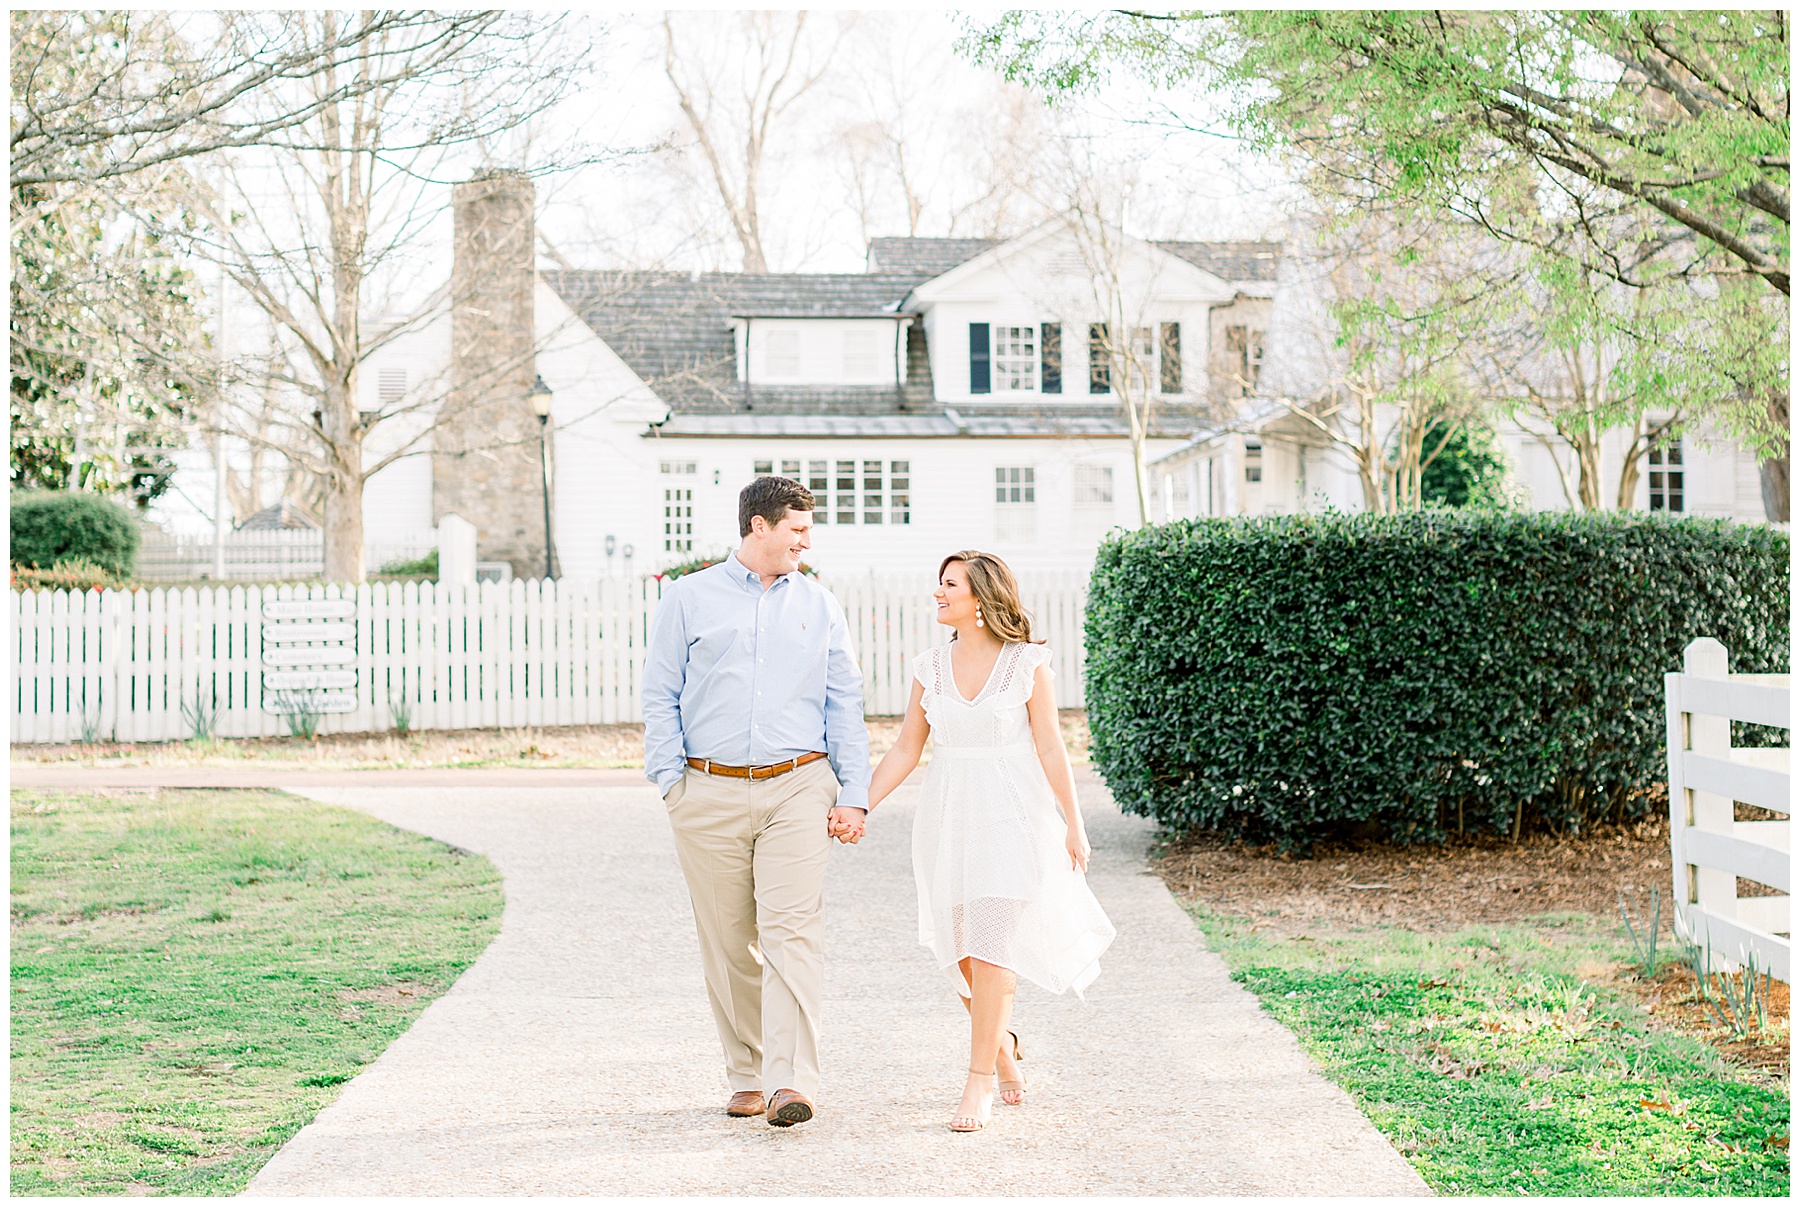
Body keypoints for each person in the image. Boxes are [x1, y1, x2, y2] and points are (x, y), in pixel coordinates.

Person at [641, 476, 872, 1128]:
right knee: (729, 937)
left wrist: (852, 793)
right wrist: (671, 781)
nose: (806, 540)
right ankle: (747, 1070)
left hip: (798, 784)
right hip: (705, 788)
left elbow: (843, 705)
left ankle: (789, 1081)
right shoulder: (689, 598)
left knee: (792, 931)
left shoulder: (821, 604)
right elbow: (658, 692)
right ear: (758, 526)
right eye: (796, 528)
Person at [858, 549, 1115, 1132]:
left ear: (980, 598)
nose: (938, 593)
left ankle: (978, 1084)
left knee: (994, 946)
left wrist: (1074, 823)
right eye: (939, 583)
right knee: (962, 952)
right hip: (949, 820)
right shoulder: (930, 666)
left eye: (949, 584)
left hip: (1013, 819)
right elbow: (905, 748)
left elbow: (1051, 747)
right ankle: (1002, 1046)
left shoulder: (1028, 663)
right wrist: (859, 804)